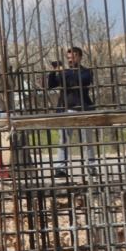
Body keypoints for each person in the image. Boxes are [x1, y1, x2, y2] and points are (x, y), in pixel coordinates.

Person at [46, 45, 95, 176]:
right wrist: (53, 72)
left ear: (80, 57)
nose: (70, 60)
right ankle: (61, 168)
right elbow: (51, 85)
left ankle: (90, 166)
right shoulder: (65, 72)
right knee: (63, 140)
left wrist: (63, 73)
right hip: (66, 109)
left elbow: (78, 81)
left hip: (83, 109)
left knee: (87, 140)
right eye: (68, 58)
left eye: (72, 57)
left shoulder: (86, 72)